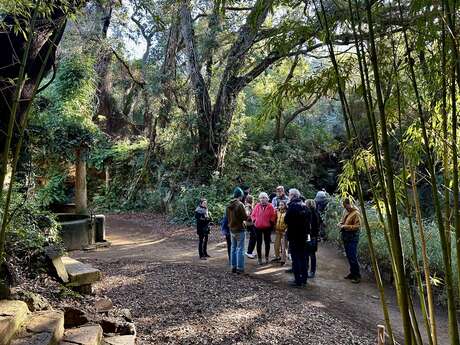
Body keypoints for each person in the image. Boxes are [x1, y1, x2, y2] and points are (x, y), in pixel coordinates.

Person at [285, 188, 310, 287]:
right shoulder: (305, 206)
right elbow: (309, 222)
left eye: (289, 195)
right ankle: (304, 279)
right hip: (303, 236)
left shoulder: (292, 206)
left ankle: (297, 281)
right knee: (303, 257)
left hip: (294, 236)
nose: (289, 196)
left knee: (295, 258)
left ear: (293, 196)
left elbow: (286, 220)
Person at [338, 198, 361, 284]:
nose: (345, 208)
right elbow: (342, 221)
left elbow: (358, 226)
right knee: (349, 256)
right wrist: (340, 224)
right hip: (346, 236)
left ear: (350, 204)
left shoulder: (356, 213)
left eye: (346, 206)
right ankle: (352, 273)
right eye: (344, 206)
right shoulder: (346, 211)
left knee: (352, 256)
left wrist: (345, 227)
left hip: (353, 237)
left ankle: (357, 276)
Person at [227, 187, 248, 274]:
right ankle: (240, 268)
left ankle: (233, 267)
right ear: (240, 196)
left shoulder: (228, 204)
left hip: (232, 229)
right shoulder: (240, 205)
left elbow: (228, 218)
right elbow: (245, 217)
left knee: (233, 248)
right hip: (239, 229)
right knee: (240, 249)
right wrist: (247, 212)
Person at [252, 192, 276, 265]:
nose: (262, 199)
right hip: (258, 227)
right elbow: (253, 215)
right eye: (261, 198)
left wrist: (271, 222)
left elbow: (273, 215)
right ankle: (259, 259)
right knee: (259, 243)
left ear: (267, 198)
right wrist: (254, 220)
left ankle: (266, 257)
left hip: (267, 227)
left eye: (264, 198)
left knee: (267, 243)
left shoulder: (270, 206)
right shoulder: (257, 206)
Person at [305, 199, 320, 278]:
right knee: (311, 253)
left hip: (310, 235)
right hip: (314, 236)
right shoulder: (317, 212)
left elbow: (309, 226)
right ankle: (311, 271)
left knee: (309, 253)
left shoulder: (310, 213)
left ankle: (310, 271)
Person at [273, 200, 288, 265]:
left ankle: (283, 260)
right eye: (280, 205)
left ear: (285, 205)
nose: (280, 206)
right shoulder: (277, 212)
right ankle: (277, 256)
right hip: (278, 230)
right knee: (276, 245)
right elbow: (275, 220)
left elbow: (289, 223)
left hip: (284, 231)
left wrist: (286, 230)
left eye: (282, 205)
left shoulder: (287, 213)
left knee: (284, 246)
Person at [244, 195, 257, 259]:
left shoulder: (248, 206)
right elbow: (247, 215)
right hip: (250, 224)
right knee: (253, 237)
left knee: (253, 237)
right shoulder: (248, 206)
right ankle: (249, 252)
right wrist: (252, 217)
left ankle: (250, 251)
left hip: (250, 224)